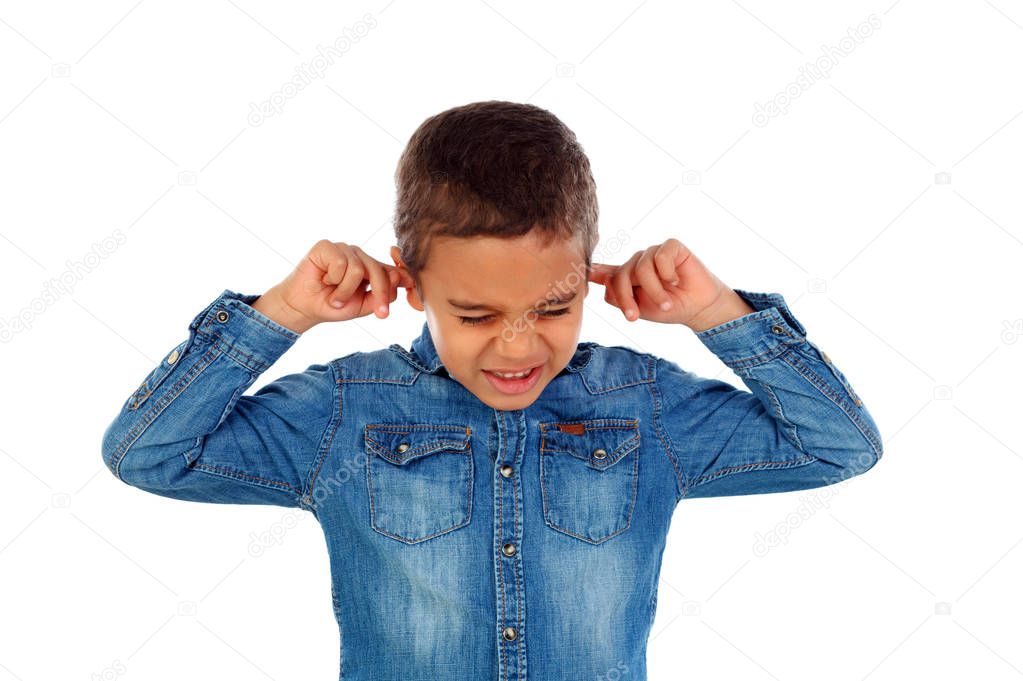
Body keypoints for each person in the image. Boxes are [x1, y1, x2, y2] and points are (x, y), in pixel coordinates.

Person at [101, 100, 883, 680]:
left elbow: (837, 446)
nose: (517, 344)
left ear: (588, 273)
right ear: (409, 283)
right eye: (474, 313)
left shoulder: (643, 403)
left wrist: (720, 314)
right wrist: (279, 315)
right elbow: (150, 455)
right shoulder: (347, 408)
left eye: (552, 306)